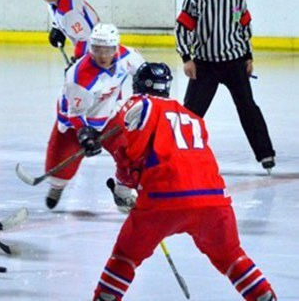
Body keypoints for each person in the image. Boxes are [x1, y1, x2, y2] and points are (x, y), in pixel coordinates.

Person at [91, 62, 277, 301]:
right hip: (214, 199)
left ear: (138, 84)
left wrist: (121, 182)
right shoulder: (191, 116)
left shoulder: (142, 104)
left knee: (125, 257)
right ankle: (263, 295)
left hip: (163, 199)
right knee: (231, 256)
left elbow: (127, 149)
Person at [175, 0, 275, 172]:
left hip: (234, 63)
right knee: (191, 113)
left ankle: (265, 153)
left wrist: (248, 56)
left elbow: (244, 28)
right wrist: (186, 58)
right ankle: (176, 153)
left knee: (248, 108)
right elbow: (182, 29)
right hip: (205, 65)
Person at [44, 23, 145, 209]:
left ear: (116, 47)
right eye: (97, 49)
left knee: (132, 153)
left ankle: (122, 192)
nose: (103, 56)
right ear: (91, 48)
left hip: (110, 114)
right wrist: (84, 134)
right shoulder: (79, 78)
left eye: (108, 50)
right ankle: (58, 185)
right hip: (76, 120)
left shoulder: (128, 57)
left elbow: (144, 73)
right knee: (60, 166)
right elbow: (75, 113)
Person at [36, 0, 101, 61]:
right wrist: (56, 28)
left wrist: (78, 60)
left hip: (98, 52)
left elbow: (85, 38)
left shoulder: (69, 12)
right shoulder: (56, 1)